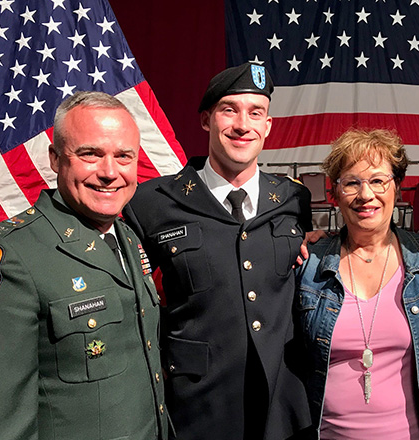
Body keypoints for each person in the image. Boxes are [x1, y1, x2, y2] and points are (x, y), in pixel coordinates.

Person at [122, 62, 313, 440]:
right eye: (230, 110)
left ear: (267, 126)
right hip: (197, 408)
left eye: (255, 113)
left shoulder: (293, 198)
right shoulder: (151, 203)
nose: (243, 124)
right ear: (206, 120)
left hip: (283, 408)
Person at [0, 92, 168, 439]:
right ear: (55, 158)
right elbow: (0, 420)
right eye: (90, 154)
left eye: (124, 156)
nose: (110, 172)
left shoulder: (126, 236)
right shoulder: (10, 255)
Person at [295, 128, 419, 440]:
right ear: (334, 193)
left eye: (378, 180)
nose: (366, 195)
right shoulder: (308, 266)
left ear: (397, 189)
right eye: (352, 182)